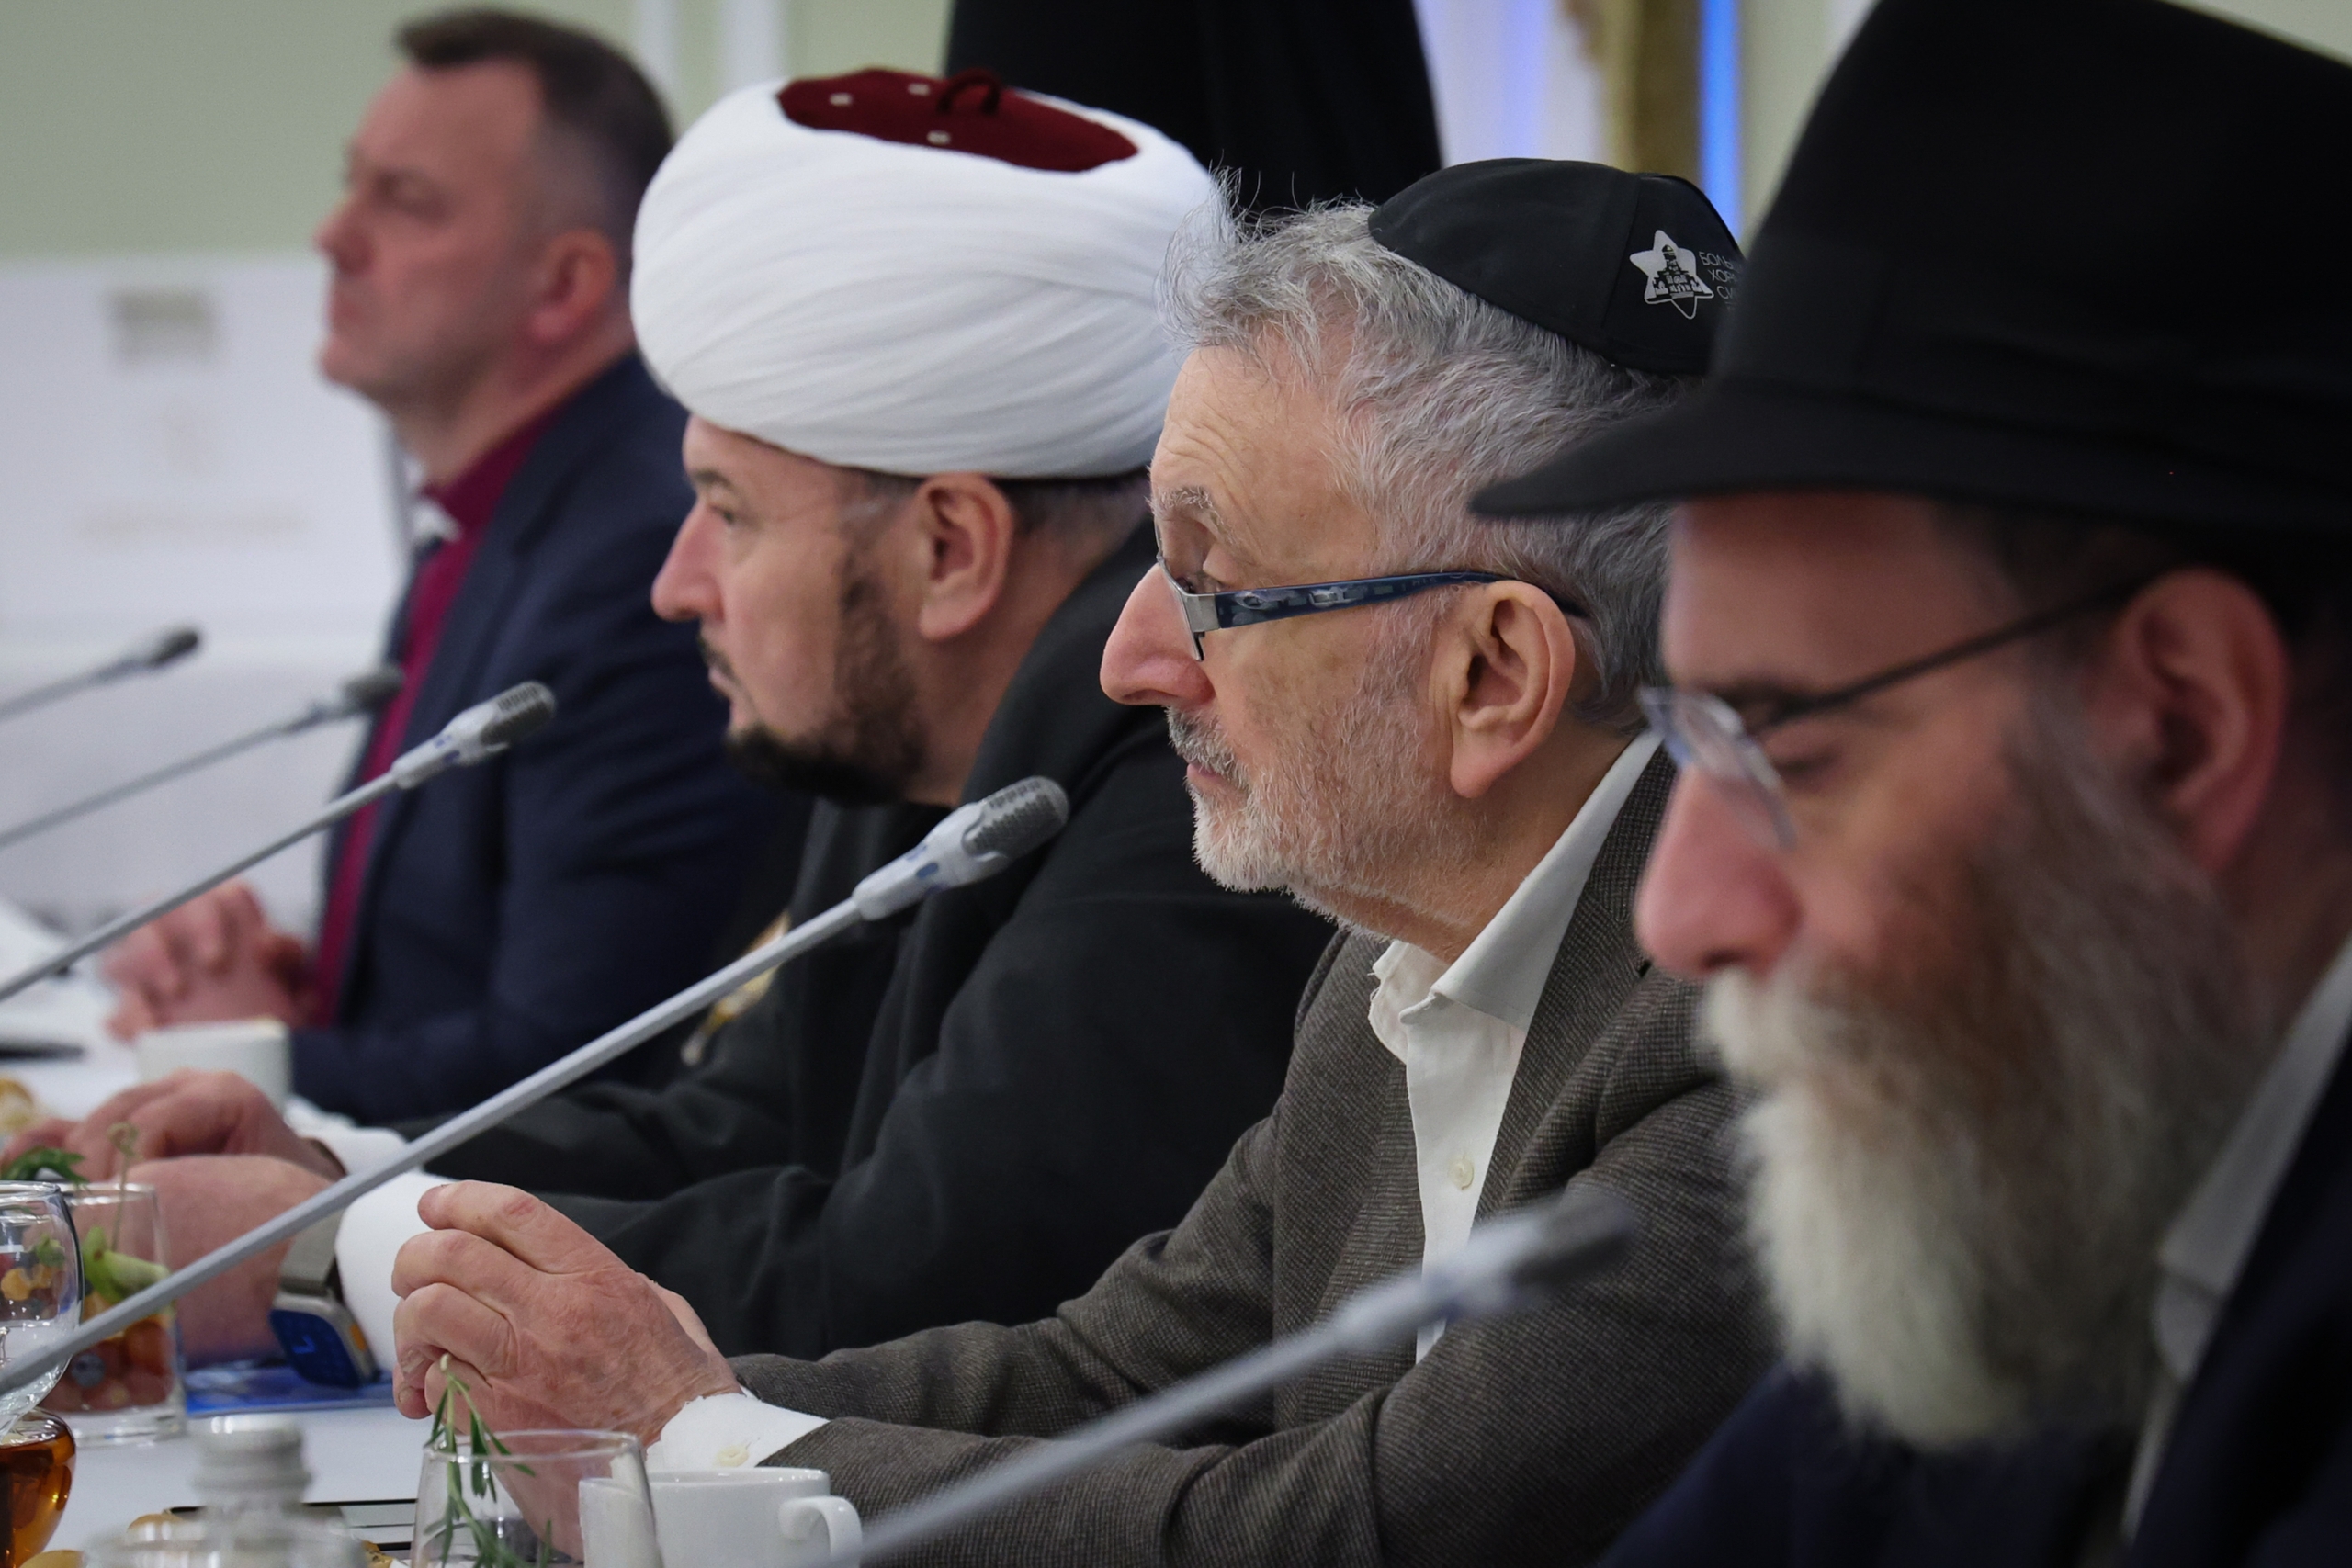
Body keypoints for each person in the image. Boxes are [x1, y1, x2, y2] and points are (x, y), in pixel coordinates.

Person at [384, 160, 1776, 1564]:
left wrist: (696, 1442)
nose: (1131, 658)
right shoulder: (1395, 948)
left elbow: (1369, 1530)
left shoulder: (1751, 1035)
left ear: (1491, 674)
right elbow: (1115, 1375)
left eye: (1210, 582)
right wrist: (650, 1404)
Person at [17, 71, 1333, 1375]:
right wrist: (331, 1172)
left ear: (948, 548)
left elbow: (907, 1277)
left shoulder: (1178, 778)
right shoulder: (919, 737)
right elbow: (739, 1127)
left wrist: (327, 1254)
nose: (675, 581)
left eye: (730, 510)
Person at [1467, 0, 2352, 1562]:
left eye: (1789, 748)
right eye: (1692, 738)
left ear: (2182, 727)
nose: (1677, 914)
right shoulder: (2043, 1155)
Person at [96, 9, 785, 1122]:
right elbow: (463, 955)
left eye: (404, 201)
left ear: (563, 286)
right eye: (351, 185)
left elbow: (575, 1062)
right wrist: (300, 996)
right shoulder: (502, 514)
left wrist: (245, 1060)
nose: (333, 236)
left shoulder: (638, 562)